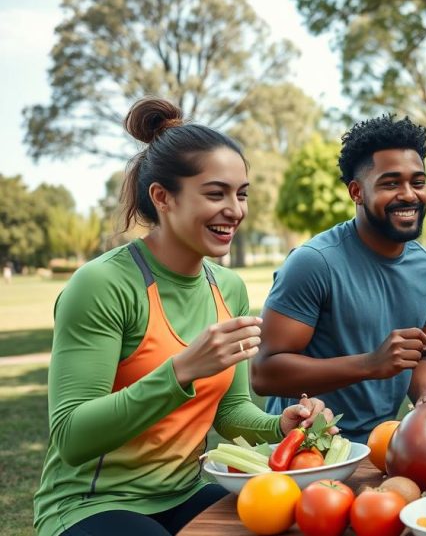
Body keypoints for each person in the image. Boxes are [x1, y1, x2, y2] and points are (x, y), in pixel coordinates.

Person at [33, 97, 332, 536]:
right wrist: (183, 369)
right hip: (90, 504)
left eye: (241, 193)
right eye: (216, 193)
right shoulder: (102, 285)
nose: (235, 209)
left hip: (184, 493)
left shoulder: (226, 287)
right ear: (162, 197)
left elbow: (230, 412)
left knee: (285, 525)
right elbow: (72, 436)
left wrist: (278, 425)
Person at [251, 114, 426, 444]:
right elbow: (264, 373)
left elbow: (421, 356)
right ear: (356, 191)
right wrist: (371, 364)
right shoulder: (313, 262)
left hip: (383, 446)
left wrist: (425, 397)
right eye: (391, 183)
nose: (409, 194)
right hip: (306, 449)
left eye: (418, 182)